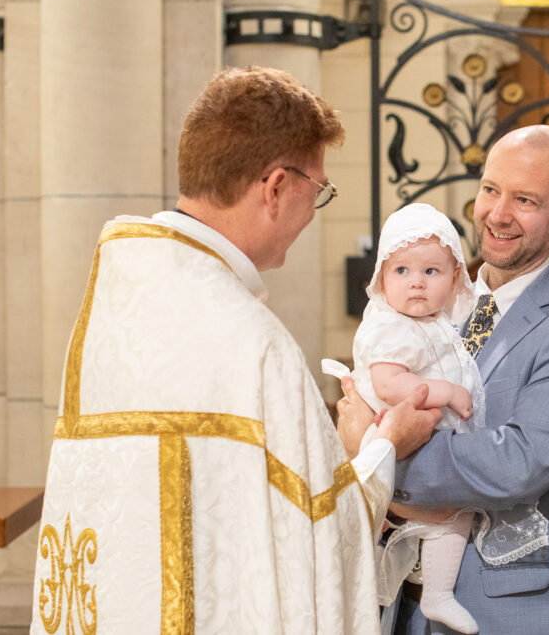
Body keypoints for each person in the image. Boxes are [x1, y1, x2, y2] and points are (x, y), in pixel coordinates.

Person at [31, 66, 441, 634]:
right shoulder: (253, 342)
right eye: (318, 191)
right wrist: (387, 444)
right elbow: (325, 533)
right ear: (275, 188)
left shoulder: (113, 313)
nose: (312, 211)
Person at [339, 124, 549, 634]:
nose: (497, 214)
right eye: (491, 190)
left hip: (509, 607)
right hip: (400, 604)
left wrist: (373, 455)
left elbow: (515, 463)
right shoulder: (432, 299)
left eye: (525, 200)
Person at [347, 202, 489, 634]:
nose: (417, 283)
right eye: (402, 271)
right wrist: (448, 392)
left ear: (455, 277)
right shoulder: (390, 325)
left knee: (454, 515)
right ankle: (434, 592)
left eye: (431, 271)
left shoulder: (436, 322)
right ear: (381, 278)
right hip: (390, 438)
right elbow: (389, 383)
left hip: (418, 441)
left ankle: (436, 593)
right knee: (449, 513)